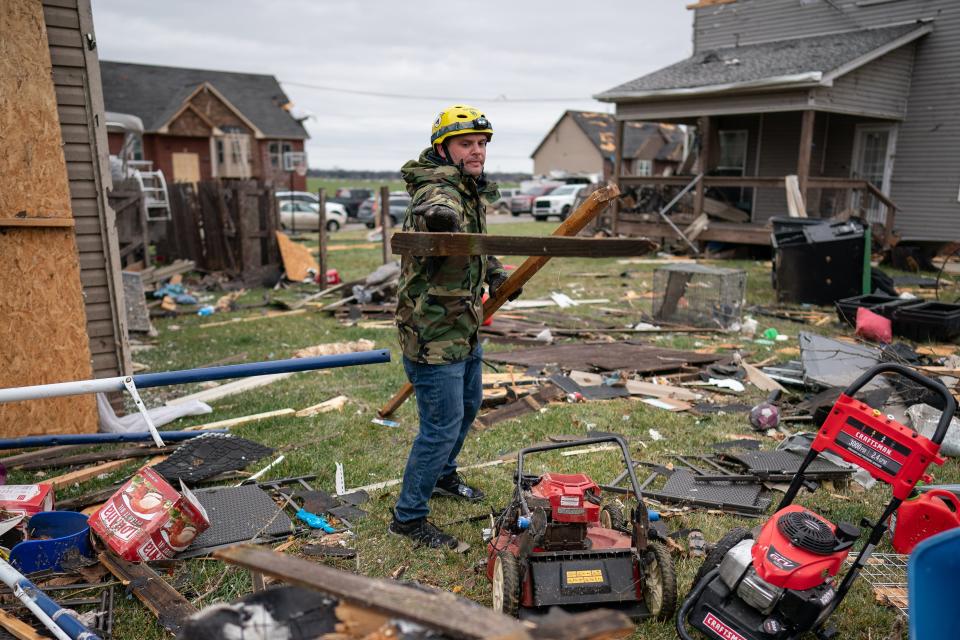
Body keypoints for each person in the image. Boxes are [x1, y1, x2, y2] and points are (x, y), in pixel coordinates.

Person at [390, 105, 520, 548]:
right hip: (432, 335)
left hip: (464, 325)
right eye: (467, 144)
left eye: (482, 144)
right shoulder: (438, 191)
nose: (477, 151)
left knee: (466, 410)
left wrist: (497, 273)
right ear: (442, 148)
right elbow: (434, 213)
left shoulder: (469, 190)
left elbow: (477, 244)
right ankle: (408, 517)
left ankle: (444, 476)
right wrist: (439, 224)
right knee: (441, 426)